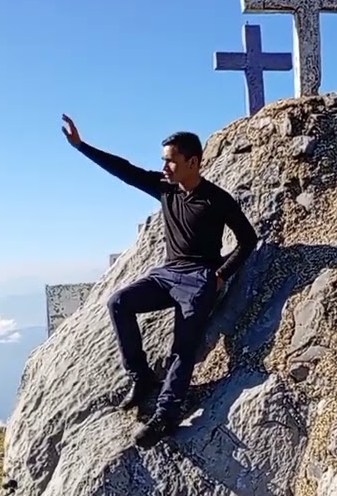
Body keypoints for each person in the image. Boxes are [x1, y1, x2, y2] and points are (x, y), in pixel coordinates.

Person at [62, 114, 258, 447]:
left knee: (183, 345)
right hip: (167, 274)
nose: (164, 167)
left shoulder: (217, 199)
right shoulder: (165, 189)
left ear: (193, 162)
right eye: (163, 160)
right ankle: (142, 378)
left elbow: (247, 240)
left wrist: (221, 276)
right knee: (119, 302)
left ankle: (166, 413)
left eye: (170, 160)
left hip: (199, 279)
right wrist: (82, 146)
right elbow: (125, 170)